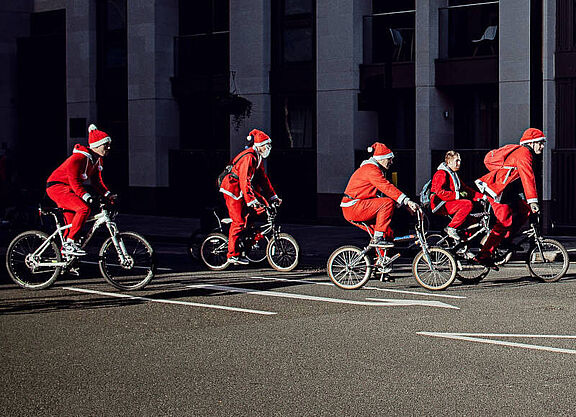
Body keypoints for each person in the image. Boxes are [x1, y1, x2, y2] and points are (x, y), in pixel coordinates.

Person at [474, 127, 546, 265]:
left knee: (524, 211)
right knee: (504, 221)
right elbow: (527, 177)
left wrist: (529, 203)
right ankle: (484, 255)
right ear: (531, 143)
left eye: (543, 143)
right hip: (496, 190)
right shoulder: (524, 153)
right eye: (540, 142)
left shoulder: (526, 154)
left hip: (508, 192)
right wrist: (533, 201)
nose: (542, 146)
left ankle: (506, 240)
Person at [46, 124, 115, 256]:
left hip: (70, 189)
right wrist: (87, 196)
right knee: (83, 209)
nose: (109, 148)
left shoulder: (97, 161)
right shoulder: (78, 158)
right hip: (57, 187)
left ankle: (67, 259)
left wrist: (109, 195)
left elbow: (97, 182)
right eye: (106, 145)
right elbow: (74, 181)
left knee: (73, 225)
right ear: (96, 145)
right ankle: (69, 244)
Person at [219, 129, 281, 265]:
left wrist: (273, 198)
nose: (269, 148)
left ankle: (244, 242)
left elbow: (263, 180)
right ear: (259, 145)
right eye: (267, 145)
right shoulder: (249, 157)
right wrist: (251, 201)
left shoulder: (257, 157)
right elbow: (244, 180)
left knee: (260, 209)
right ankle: (232, 255)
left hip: (242, 189)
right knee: (239, 221)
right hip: (232, 189)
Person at [341, 142, 420, 247]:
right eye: (389, 159)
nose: (391, 162)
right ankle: (377, 239)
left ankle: (381, 261)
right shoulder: (371, 170)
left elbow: (382, 193)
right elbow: (386, 188)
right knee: (387, 203)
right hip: (354, 206)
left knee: (386, 232)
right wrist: (407, 201)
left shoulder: (374, 169)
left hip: (357, 206)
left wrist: (404, 206)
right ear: (381, 159)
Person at [430, 150, 483, 242]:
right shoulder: (441, 173)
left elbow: (466, 189)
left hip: (449, 203)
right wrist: (457, 195)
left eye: (460, 161)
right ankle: (451, 228)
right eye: (457, 161)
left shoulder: (454, 174)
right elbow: (439, 192)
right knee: (467, 204)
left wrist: (483, 197)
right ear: (449, 162)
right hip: (440, 205)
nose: (459, 163)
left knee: (472, 220)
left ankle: (464, 246)